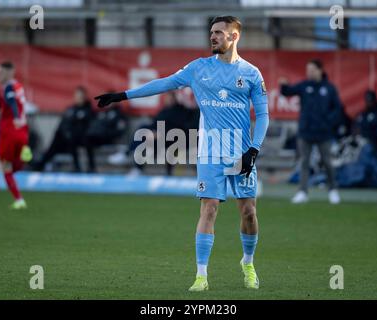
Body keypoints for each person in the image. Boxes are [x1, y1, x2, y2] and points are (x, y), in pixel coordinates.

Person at [95, 16, 269, 291]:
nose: (213, 37)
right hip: (210, 151)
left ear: (234, 37)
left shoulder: (251, 73)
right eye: (211, 32)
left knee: (248, 212)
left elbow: (263, 115)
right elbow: (163, 83)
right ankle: (201, 276)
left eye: (219, 33)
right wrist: (122, 95)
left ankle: (247, 263)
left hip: (241, 152)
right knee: (209, 208)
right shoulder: (198, 68)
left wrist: (253, 150)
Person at [280, 59, 342, 205]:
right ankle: (302, 192)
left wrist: (328, 122)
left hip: (323, 133)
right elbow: (288, 92)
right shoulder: (304, 86)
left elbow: (337, 109)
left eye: (312, 70)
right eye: (308, 70)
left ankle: (333, 190)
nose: (310, 72)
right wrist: (283, 85)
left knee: (327, 162)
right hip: (305, 132)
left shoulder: (329, 88)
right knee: (304, 162)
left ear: (320, 70)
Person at [107, 91, 199, 176]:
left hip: (175, 139)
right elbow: (155, 123)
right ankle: (133, 162)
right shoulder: (164, 111)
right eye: (167, 98)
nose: (168, 100)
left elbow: (182, 128)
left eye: (170, 98)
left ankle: (128, 155)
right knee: (143, 131)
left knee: (151, 140)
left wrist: (161, 133)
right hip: (159, 138)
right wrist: (154, 132)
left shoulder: (183, 111)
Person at [0, 61, 33, 209]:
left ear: (9, 72)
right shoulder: (19, 86)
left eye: (0, 73)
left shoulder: (8, 87)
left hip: (9, 130)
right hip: (22, 131)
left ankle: (19, 200)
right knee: (12, 164)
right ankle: (24, 153)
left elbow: (11, 101)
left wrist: (16, 117)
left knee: (5, 165)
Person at [33, 86, 95, 172]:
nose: (78, 98)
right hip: (67, 138)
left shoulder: (88, 109)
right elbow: (64, 123)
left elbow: (88, 123)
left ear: (84, 97)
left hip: (81, 137)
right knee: (56, 141)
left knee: (80, 141)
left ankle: (84, 167)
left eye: (80, 96)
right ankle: (41, 164)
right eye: (76, 96)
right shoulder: (71, 109)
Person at [83, 99, 128, 173]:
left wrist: (108, 133)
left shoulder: (119, 114)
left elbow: (120, 130)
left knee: (88, 139)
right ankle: (91, 167)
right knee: (86, 139)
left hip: (110, 138)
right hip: (99, 137)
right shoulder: (102, 113)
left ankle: (92, 167)